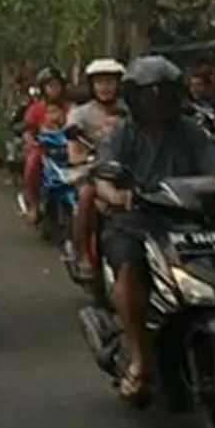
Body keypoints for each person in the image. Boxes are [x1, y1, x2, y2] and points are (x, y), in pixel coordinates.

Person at [94, 55, 215, 402]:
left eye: (163, 94)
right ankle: (140, 359)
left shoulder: (191, 132)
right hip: (135, 221)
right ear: (134, 98)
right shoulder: (122, 133)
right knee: (128, 269)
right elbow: (103, 176)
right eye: (148, 95)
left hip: (191, 220)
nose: (156, 102)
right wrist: (115, 193)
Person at [65, 58, 127, 278]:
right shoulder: (80, 114)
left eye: (110, 81)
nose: (105, 87)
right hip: (90, 170)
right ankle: (81, 253)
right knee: (86, 195)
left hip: (126, 171)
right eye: (100, 82)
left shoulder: (130, 111)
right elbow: (73, 149)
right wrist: (84, 159)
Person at [22, 65, 70, 224]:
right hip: (43, 149)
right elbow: (28, 130)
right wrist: (30, 140)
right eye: (50, 86)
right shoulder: (36, 109)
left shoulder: (70, 108)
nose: (54, 89)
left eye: (57, 85)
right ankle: (34, 204)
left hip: (66, 148)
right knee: (32, 165)